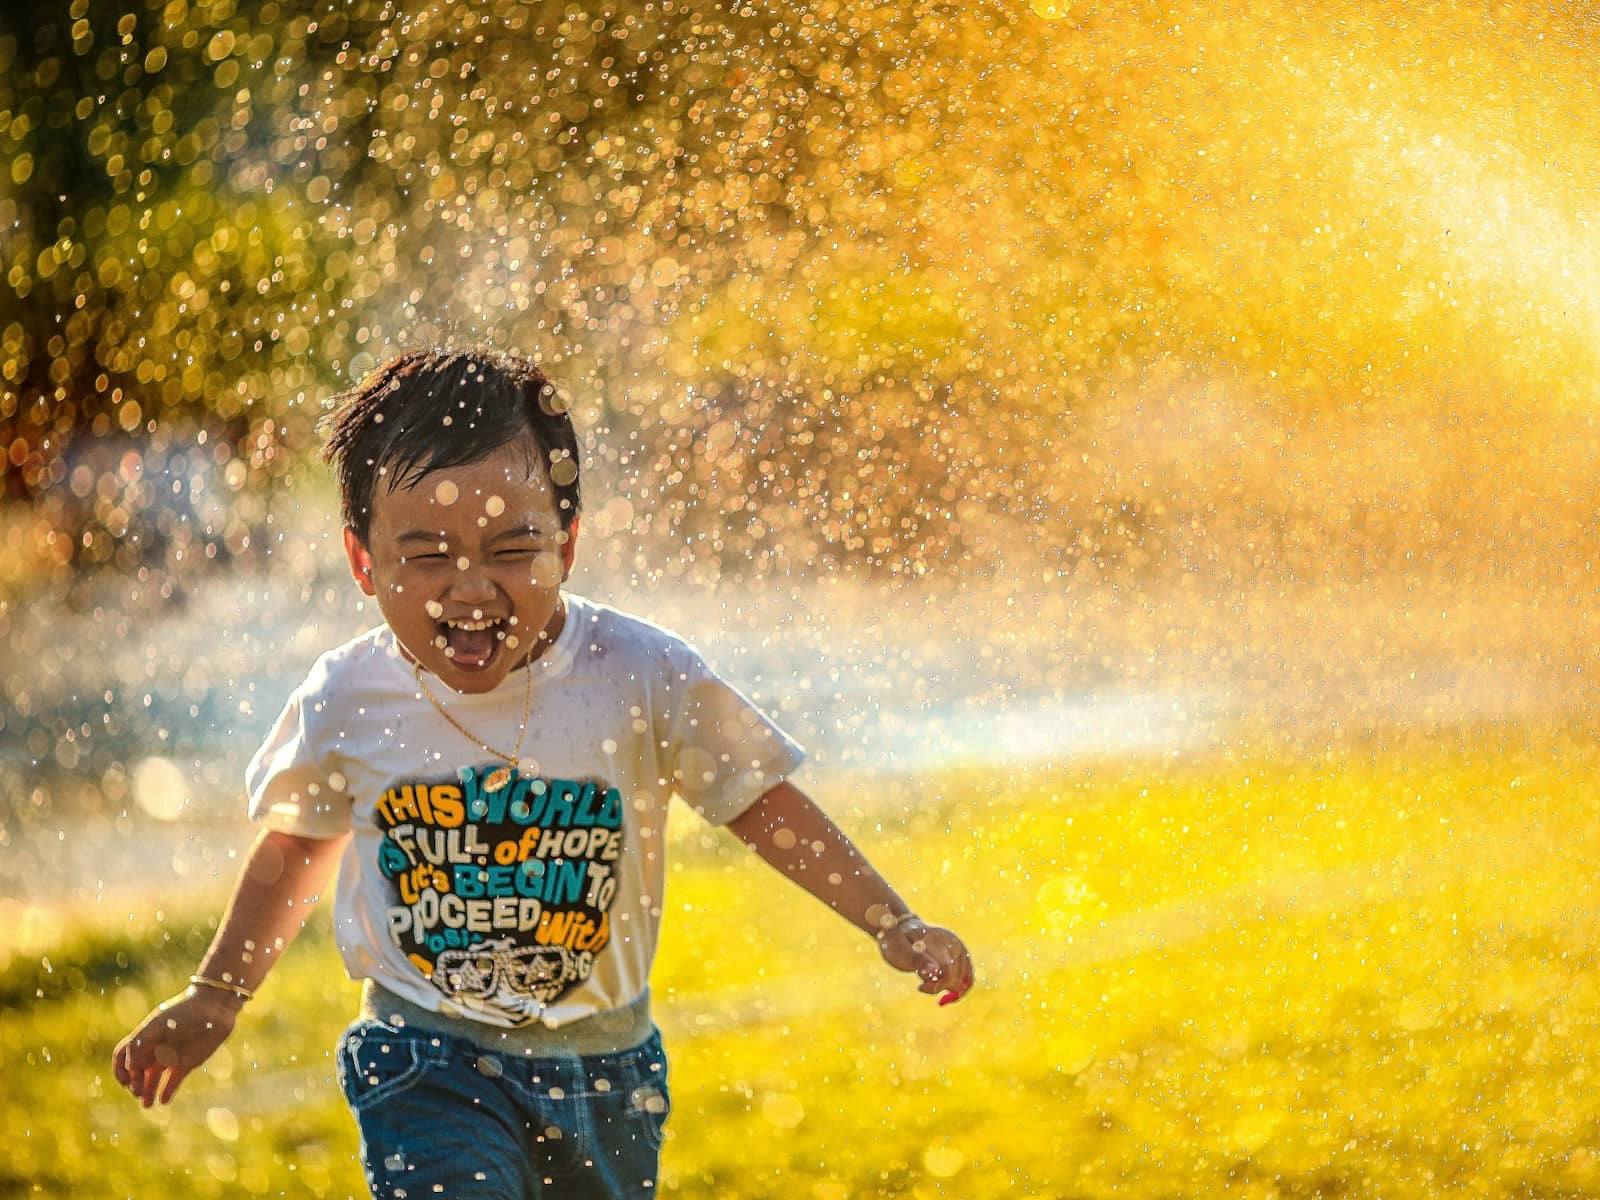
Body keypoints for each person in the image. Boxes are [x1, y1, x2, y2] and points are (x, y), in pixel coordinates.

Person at [112, 347, 975, 1198]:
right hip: (425, 1057)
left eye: (511, 548)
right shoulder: (349, 696)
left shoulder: (639, 673)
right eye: (428, 555)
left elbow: (759, 801)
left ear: (567, 544)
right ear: (363, 562)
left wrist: (890, 920)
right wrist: (218, 993)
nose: (470, 589)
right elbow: (299, 844)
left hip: (606, 1072)